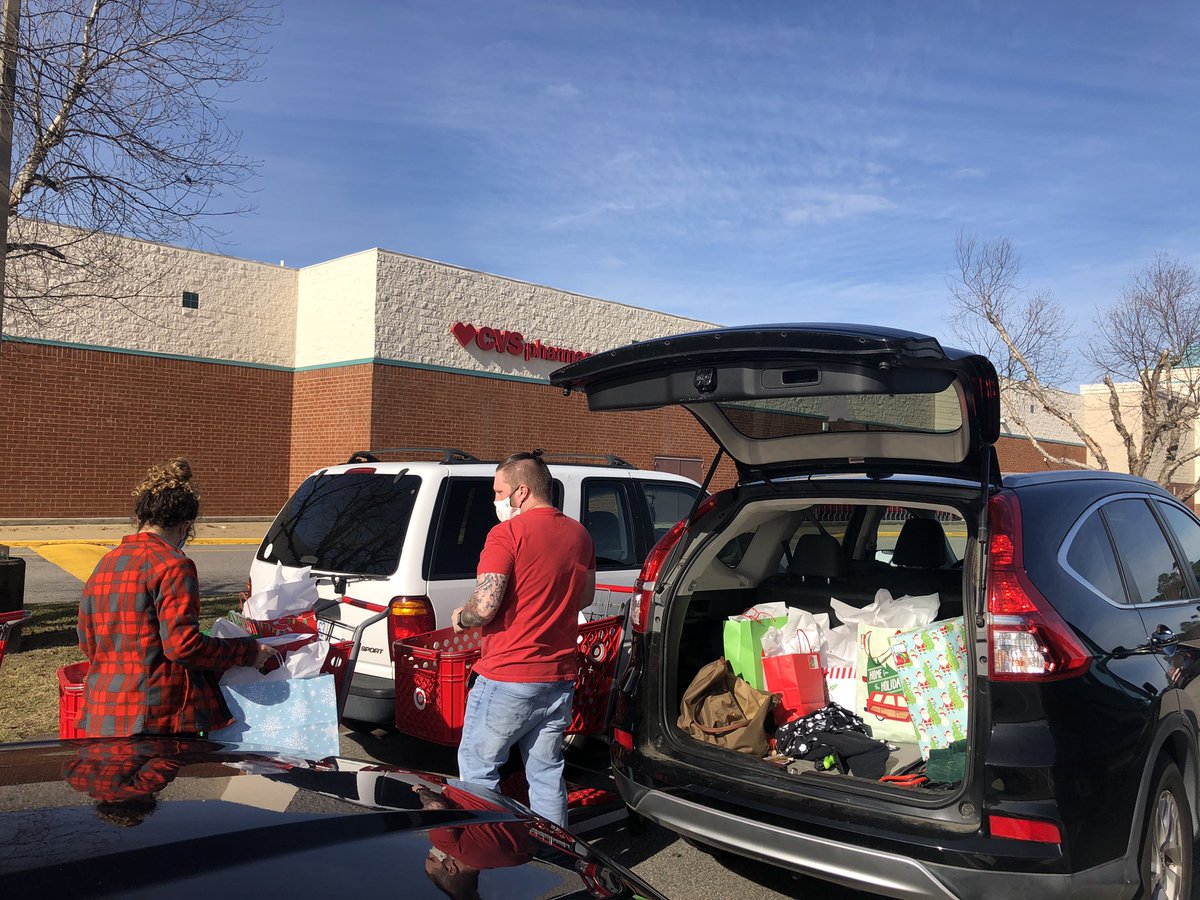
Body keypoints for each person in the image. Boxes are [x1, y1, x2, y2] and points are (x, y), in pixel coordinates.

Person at [77, 458, 275, 737]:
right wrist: (247, 651)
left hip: (104, 710)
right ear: (186, 526)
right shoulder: (173, 565)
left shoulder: (107, 563)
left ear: (140, 519)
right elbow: (183, 646)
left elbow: (87, 641)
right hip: (155, 715)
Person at [451, 451, 596, 826]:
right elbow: (585, 597)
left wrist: (461, 618)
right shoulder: (579, 535)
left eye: (499, 492)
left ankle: (490, 847)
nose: (495, 500)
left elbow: (484, 607)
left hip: (508, 675)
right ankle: (556, 852)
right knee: (546, 774)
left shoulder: (506, 534)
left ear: (521, 491)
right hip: (557, 676)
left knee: (478, 770)